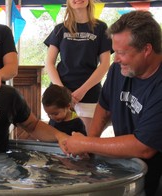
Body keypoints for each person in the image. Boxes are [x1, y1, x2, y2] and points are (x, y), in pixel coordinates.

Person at [63, 11, 162, 196]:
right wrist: (89, 143)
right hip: (130, 167)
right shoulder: (118, 69)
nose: (115, 59)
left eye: (122, 53)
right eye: (115, 52)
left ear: (147, 50)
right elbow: (105, 106)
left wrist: (86, 143)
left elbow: (144, 147)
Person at [44, 0, 112, 133]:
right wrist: (63, 92)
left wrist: (82, 91)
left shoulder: (102, 28)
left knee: (88, 141)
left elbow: (105, 64)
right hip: (60, 94)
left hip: (89, 92)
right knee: (58, 139)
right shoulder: (59, 29)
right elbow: (49, 63)